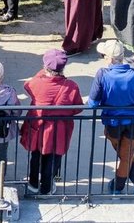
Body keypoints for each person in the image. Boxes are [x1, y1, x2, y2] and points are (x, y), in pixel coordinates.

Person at [89, 40, 134, 194]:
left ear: (110, 58)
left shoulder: (103, 74)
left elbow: (92, 104)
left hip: (113, 123)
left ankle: (118, 187)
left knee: (125, 156)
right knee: (127, 154)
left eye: (104, 55)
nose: (103, 57)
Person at [20, 49, 83, 194]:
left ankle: (33, 183)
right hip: (59, 130)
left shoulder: (36, 83)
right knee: (53, 159)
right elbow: (78, 108)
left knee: (35, 156)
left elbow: (26, 86)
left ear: (45, 66)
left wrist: (43, 72)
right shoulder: (71, 86)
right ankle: (46, 187)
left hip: (37, 127)